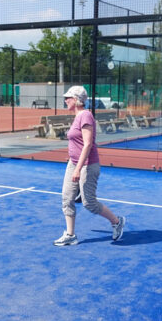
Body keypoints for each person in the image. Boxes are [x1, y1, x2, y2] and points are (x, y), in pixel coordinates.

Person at [54, 85, 126, 246]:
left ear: (76, 100)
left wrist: (78, 169)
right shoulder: (77, 116)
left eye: (68, 98)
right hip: (73, 163)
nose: (65, 100)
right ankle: (70, 235)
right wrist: (73, 160)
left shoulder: (85, 116)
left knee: (89, 203)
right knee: (67, 198)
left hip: (88, 165)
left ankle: (117, 222)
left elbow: (87, 144)